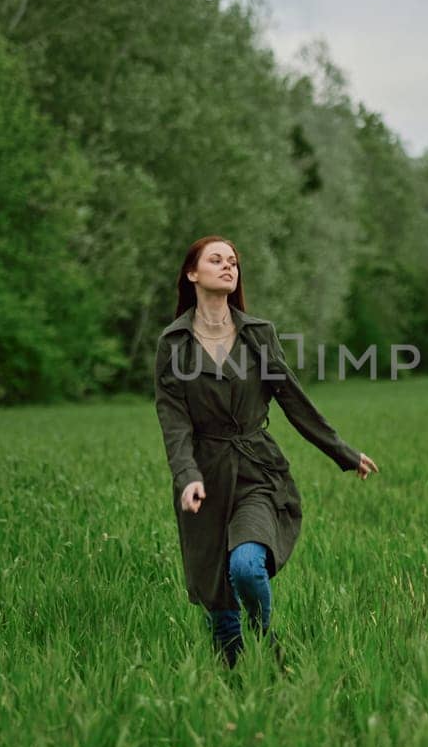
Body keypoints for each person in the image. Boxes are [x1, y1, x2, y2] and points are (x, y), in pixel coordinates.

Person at [152, 235, 379, 668]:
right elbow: (173, 417)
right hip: (205, 477)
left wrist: (343, 452)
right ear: (192, 273)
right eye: (215, 259)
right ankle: (239, 683)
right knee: (219, 603)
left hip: (258, 470)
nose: (228, 266)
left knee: (246, 567)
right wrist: (188, 476)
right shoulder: (173, 343)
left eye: (233, 261)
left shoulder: (258, 334)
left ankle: (266, 643)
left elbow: (292, 398)